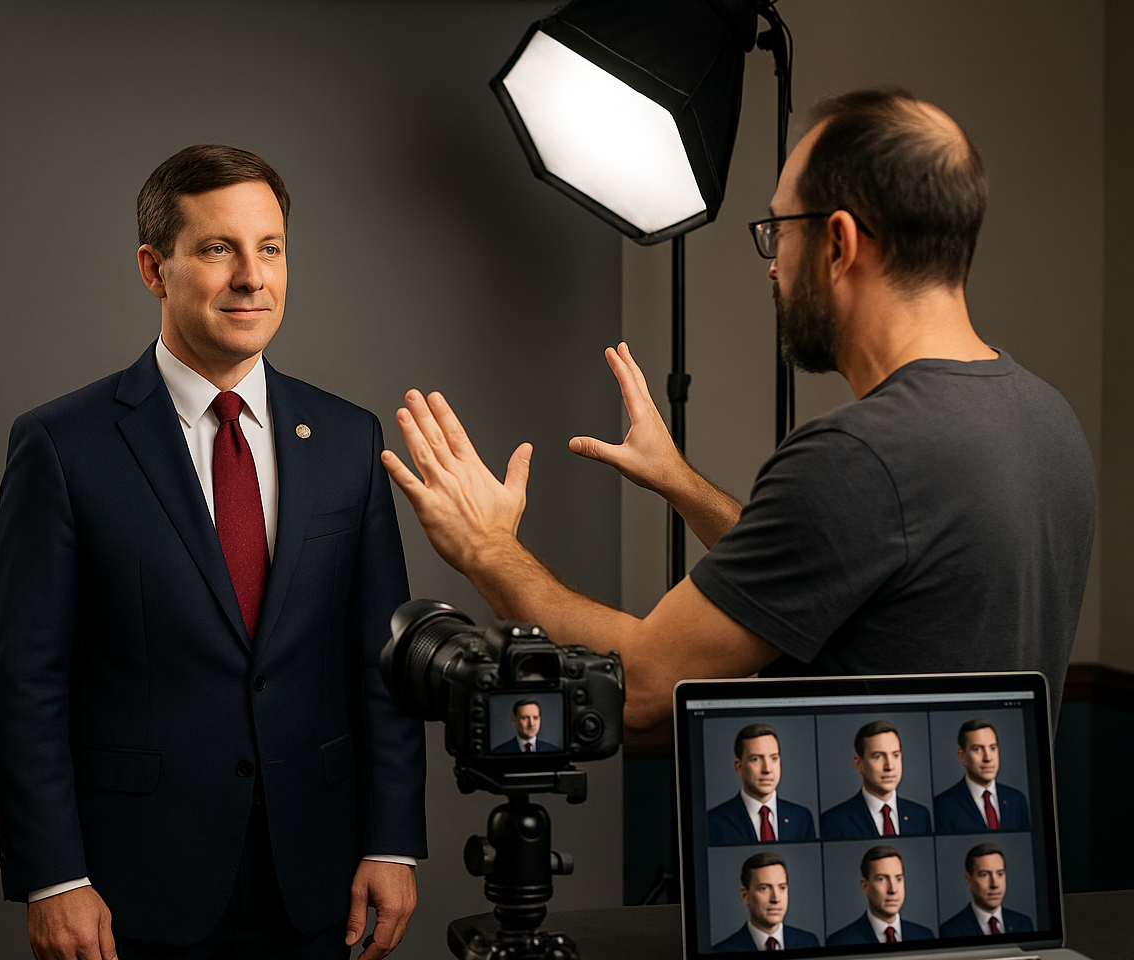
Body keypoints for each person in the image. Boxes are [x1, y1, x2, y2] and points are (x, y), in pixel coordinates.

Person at [378, 88, 1095, 733]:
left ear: (839, 242)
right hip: (995, 875)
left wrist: (486, 549)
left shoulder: (860, 458)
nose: (773, 265)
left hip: (857, 880)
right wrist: (682, 483)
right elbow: (827, 581)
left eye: (778, 230)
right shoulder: (1047, 421)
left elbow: (642, 686)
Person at [0, 145, 428, 960]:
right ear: (155, 267)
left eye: (271, 248)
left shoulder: (346, 438)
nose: (251, 278)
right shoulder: (63, 446)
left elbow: (384, 665)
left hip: (310, 881)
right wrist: (53, 877)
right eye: (219, 249)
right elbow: (23, 679)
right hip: (123, 891)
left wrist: (394, 843)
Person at [706, 723, 816, 844]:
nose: (767, 769)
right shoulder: (714, 822)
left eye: (774, 758)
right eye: (756, 759)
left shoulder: (801, 818)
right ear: (738, 766)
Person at [821, 721, 932, 838]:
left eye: (895, 755)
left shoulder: (920, 815)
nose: (889, 766)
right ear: (858, 763)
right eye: (878, 756)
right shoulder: (834, 822)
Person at [712, 851, 821, 953]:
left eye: (782, 888)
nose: (776, 899)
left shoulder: (809, 942)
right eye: (764, 888)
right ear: (745, 895)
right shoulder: (722, 951)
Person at [934, 719, 1031, 832]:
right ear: (962, 756)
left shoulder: (1016, 799)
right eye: (977, 749)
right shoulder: (943, 805)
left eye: (992, 748)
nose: (988, 758)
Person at [827, 846, 935, 945]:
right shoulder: (841, 942)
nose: (893, 889)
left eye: (898, 879)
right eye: (881, 879)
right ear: (865, 886)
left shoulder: (925, 935)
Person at [938, 843, 1034, 937]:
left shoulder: (1023, 924)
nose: (994, 884)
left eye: (1000, 874)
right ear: (968, 879)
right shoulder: (951, 931)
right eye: (984, 875)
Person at [492, 698, 560, 753]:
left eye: (535, 718)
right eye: (525, 718)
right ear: (514, 720)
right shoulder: (499, 752)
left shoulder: (553, 750)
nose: (531, 724)